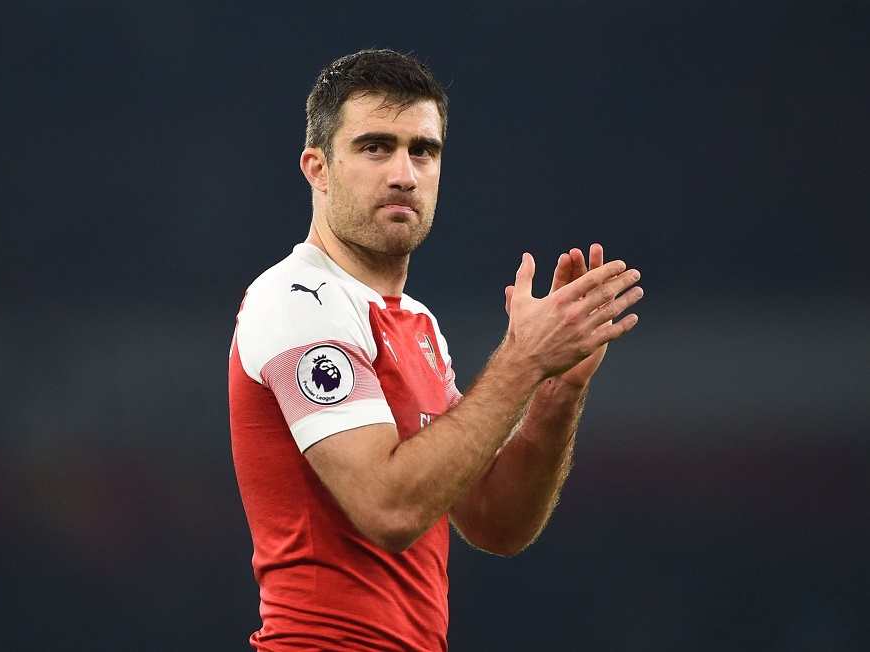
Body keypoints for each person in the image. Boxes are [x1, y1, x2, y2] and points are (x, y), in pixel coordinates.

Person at [228, 48, 643, 651]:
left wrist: (556, 387)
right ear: (318, 169)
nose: (404, 174)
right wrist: (522, 359)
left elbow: (495, 522)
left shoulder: (416, 323)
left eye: (423, 150)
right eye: (375, 147)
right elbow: (389, 509)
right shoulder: (297, 299)